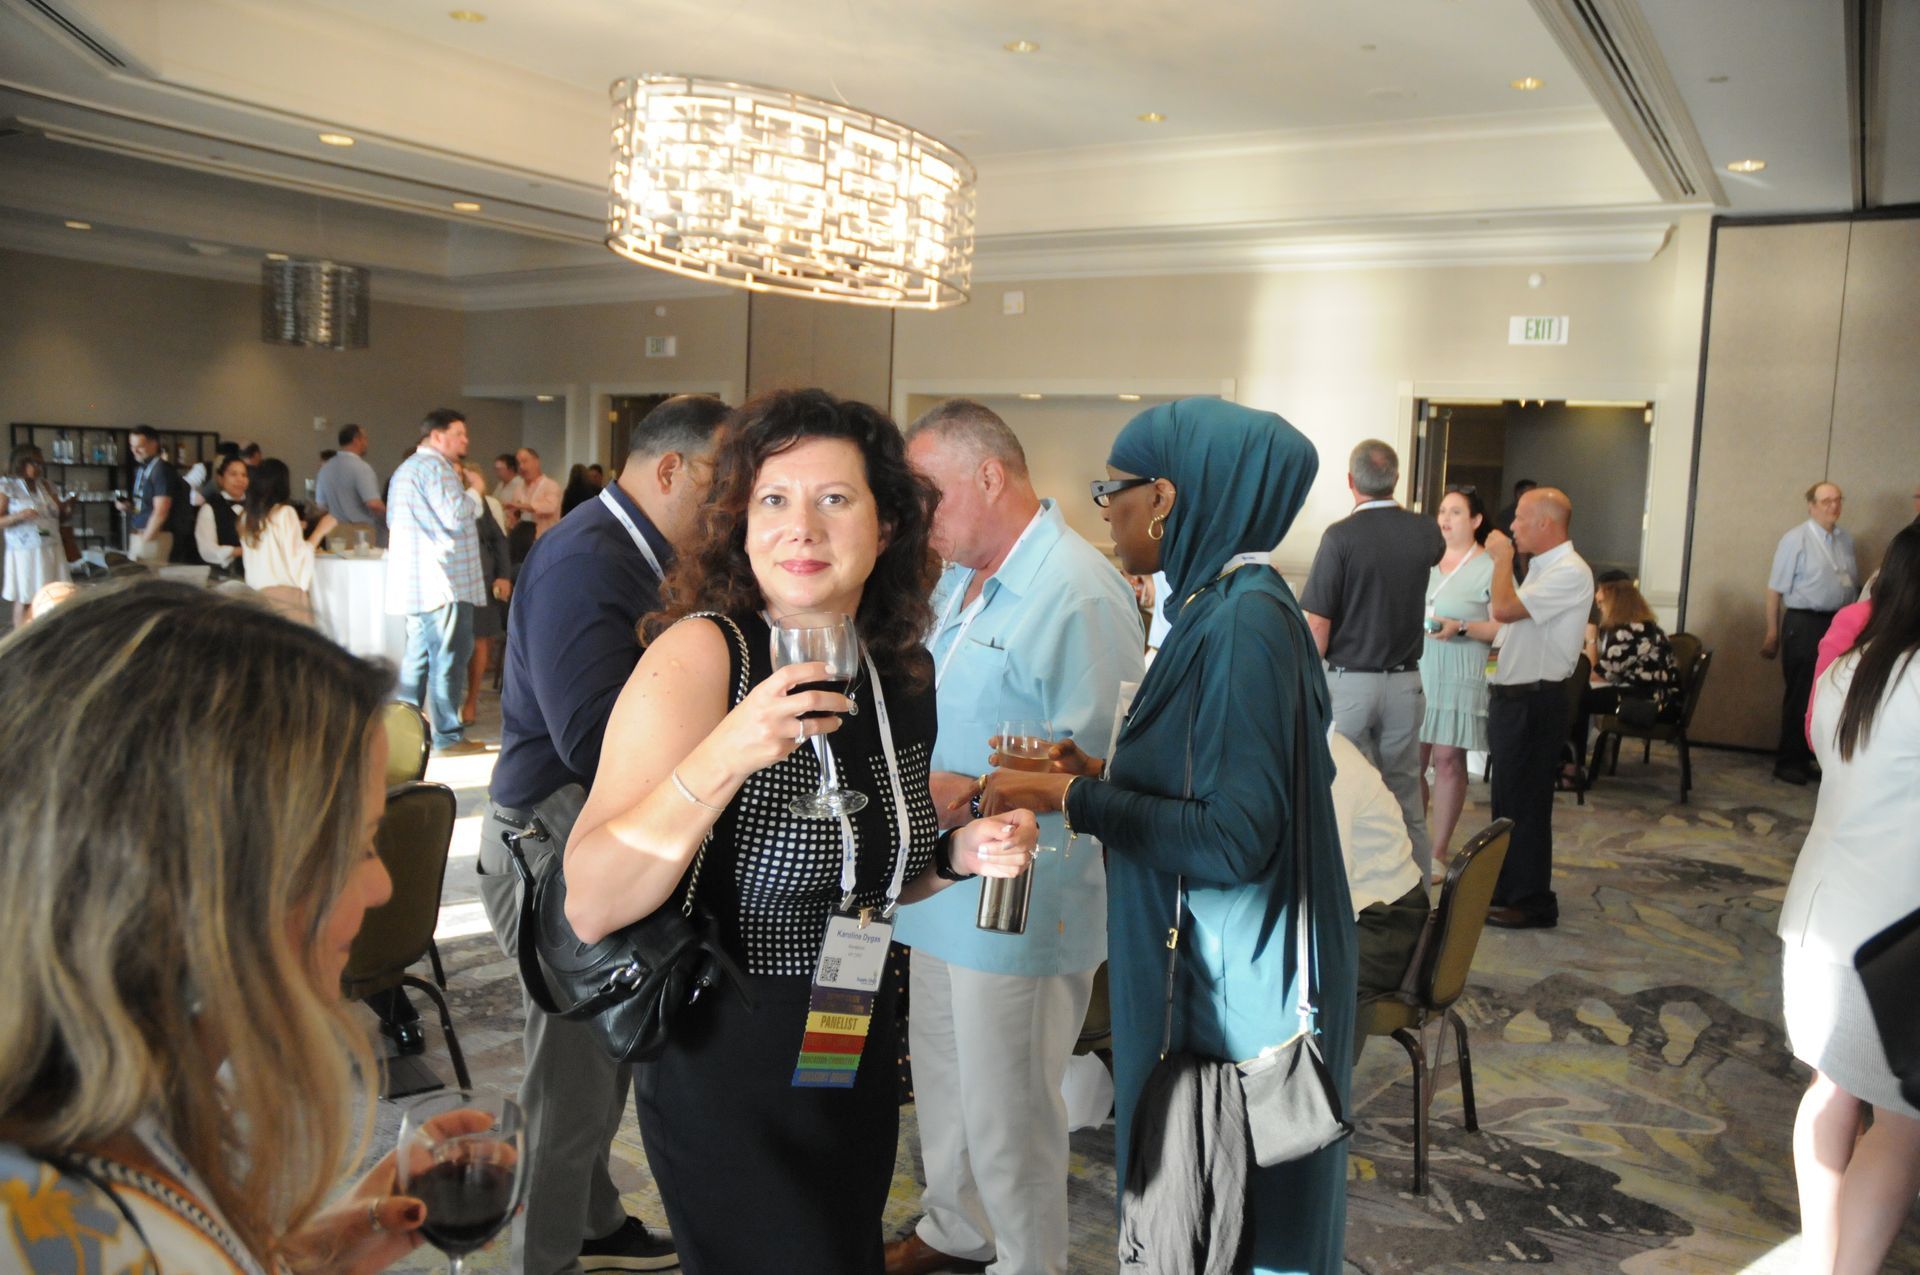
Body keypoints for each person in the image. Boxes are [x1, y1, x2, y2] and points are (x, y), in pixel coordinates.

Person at [562, 388, 1038, 1275]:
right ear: (741, 521)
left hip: (849, 1021)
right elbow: (589, 898)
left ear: (887, 523)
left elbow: (863, 873)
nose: (801, 528)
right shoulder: (704, 656)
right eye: (774, 499)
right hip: (727, 1041)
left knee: (843, 1250)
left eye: (835, 499)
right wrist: (729, 752)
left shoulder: (901, 669)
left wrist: (954, 855)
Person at [983, 398, 1358, 1274]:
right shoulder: (1220, 606)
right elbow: (1213, 773)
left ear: (1164, 496)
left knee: (1229, 1221)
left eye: (1112, 488)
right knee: (1201, 1210)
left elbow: (1233, 838)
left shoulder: (1242, 624)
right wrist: (1104, 773)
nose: (1103, 508)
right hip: (1221, 962)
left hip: (1239, 989)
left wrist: (1078, 800)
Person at [0, 580, 462, 1273]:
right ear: (208, 883)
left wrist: (308, 1255)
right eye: (358, 844)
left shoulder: (119, 1103)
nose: (382, 884)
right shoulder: (58, 1230)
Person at [887, 399, 1144, 1275]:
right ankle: (957, 1229)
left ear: (989, 475)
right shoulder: (959, 576)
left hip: (1022, 892)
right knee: (947, 1081)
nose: (917, 515)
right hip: (939, 883)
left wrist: (971, 791)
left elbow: (1104, 763)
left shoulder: (1077, 588)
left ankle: (1029, 1263)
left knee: (1012, 1110)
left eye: (929, 493)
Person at [480, 394, 728, 1275]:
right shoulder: (587, 558)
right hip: (551, 839)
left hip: (582, 827)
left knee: (597, 1064)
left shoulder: (634, 550)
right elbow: (593, 740)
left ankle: (590, 1217)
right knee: (572, 1083)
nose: (734, 509)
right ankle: (535, 1257)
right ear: (670, 471)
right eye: (725, 484)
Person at [1779, 521, 1920, 1275]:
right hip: (1891, 933)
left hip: (1817, 918)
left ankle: (1823, 1252)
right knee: (1903, 1125)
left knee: (1830, 1092)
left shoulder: (1851, 669)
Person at [1301, 439, 1444, 876]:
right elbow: (1440, 558)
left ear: (1350, 481)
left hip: (1349, 684)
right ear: (1396, 479)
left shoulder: (1340, 536)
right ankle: (1416, 898)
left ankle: (1357, 898)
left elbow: (1319, 624)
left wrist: (1305, 683)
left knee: (1347, 792)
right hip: (1404, 682)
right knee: (1406, 795)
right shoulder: (1425, 531)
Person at [1481, 487, 1593, 930]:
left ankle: (1532, 900)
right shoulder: (1544, 568)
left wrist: (1501, 559)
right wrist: (1491, 676)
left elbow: (1504, 610)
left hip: (1536, 700)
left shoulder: (1569, 570)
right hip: (1514, 698)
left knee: (1526, 803)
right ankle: (1508, 888)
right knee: (1507, 801)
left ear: (1546, 523)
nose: (1511, 527)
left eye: (1521, 519)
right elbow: (1509, 633)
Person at [386, 408, 487, 756]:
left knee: (417, 659)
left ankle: (404, 734)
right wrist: (475, 492)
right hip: (443, 580)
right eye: (459, 433)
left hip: (417, 580)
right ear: (437, 436)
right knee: (448, 658)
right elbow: (454, 515)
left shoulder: (406, 469)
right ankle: (448, 736)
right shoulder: (436, 468)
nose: (465, 440)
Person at [1328, 729, 1427, 1046]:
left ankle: (1314, 1087)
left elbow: (1327, 895)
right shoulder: (1322, 749)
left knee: (1289, 974)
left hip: (1388, 929)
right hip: (1378, 911)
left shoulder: (1330, 768)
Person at [1418, 484, 1496, 876]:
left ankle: (1438, 849)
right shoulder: (1427, 559)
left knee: (1447, 759)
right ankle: (1410, 842)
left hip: (1460, 667)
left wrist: (1460, 626)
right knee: (1411, 760)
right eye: (1443, 511)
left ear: (1477, 520)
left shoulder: (1489, 566)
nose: (1445, 519)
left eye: (1456, 512)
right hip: (1420, 664)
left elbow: (1503, 626)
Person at [1763, 481, 1858, 785]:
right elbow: (1774, 589)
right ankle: (1789, 760)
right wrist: (1772, 631)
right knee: (1801, 692)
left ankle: (1809, 757)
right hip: (1804, 623)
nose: (1833, 506)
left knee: (1827, 693)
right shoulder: (1796, 539)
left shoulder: (1845, 540)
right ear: (1812, 505)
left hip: (1836, 622)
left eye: (1837, 500)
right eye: (1826, 500)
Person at [241, 459, 335, 625]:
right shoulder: (285, 513)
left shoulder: (246, 517)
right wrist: (320, 531)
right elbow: (297, 563)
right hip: (285, 599)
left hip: (255, 597)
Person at [459, 462, 515, 728]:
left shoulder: (480, 503)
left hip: (482, 575)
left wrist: (503, 575)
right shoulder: (445, 500)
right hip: (452, 578)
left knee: (482, 639)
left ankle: (471, 701)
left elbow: (498, 539)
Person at [1584, 570, 1679, 719]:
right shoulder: (1644, 626)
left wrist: (1591, 641)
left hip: (1647, 700)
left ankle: (1573, 741)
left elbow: (1595, 676)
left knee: (1576, 696)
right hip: (1658, 694)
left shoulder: (1627, 633)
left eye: (1601, 602)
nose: (1598, 604)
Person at [1, 445, 72, 629]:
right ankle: (21, 639)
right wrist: (18, 516)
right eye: (34, 463)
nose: (39, 467)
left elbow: (60, 515)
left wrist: (68, 508)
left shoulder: (46, 486)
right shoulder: (7, 486)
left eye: (40, 463)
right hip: (25, 550)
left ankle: (47, 635)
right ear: (21, 463)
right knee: (26, 596)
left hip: (51, 546)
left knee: (55, 594)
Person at [118, 425, 193, 564]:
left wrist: (145, 539)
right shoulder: (144, 468)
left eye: (139, 446)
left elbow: (161, 510)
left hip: (156, 535)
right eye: (131, 446)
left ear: (154, 444)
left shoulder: (161, 470)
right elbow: (147, 504)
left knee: (149, 580)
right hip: (143, 532)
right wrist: (128, 506)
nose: (134, 450)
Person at [314, 422, 389, 543]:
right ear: (356, 440)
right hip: (360, 533)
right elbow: (373, 504)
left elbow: (321, 506)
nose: (366, 443)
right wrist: (391, 517)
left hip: (333, 532)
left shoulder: (325, 468)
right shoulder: (361, 468)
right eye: (365, 438)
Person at [194, 453, 251, 580]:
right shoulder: (210, 508)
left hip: (255, 575)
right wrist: (241, 551)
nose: (240, 480)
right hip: (223, 576)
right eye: (233, 474)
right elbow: (207, 550)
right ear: (220, 478)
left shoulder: (255, 508)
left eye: (244, 475)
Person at [505, 446, 563, 540]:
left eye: (525, 461)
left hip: (545, 540)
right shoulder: (519, 488)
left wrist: (521, 506)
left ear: (536, 462)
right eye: (518, 463)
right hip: (522, 540)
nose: (521, 467)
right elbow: (514, 516)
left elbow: (550, 507)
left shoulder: (551, 485)